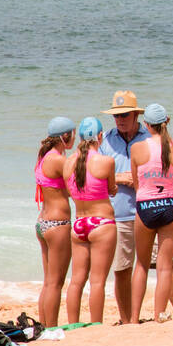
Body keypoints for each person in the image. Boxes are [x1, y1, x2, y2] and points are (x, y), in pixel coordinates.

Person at [100, 89, 173, 323]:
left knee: (165, 265)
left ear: (138, 116)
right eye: (116, 115)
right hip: (120, 213)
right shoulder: (106, 140)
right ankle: (128, 320)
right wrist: (118, 178)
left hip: (143, 209)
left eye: (125, 114)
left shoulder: (145, 140)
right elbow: (95, 175)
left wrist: (136, 180)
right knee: (122, 269)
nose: (120, 119)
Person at [129, 104, 173, 323]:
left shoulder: (136, 148)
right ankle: (158, 316)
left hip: (145, 207)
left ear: (146, 124)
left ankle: (134, 318)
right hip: (170, 207)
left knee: (142, 264)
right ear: (167, 121)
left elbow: (137, 185)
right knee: (164, 267)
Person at [64, 117, 118, 324]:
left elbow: (72, 192)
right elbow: (111, 188)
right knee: (97, 282)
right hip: (102, 223)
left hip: (79, 224)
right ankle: (95, 324)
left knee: (76, 280)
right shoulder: (106, 161)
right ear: (101, 137)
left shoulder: (68, 162)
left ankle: (72, 324)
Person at [34, 116, 75, 326]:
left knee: (48, 282)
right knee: (55, 283)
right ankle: (51, 328)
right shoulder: (59, 160)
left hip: (42, 223)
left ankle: (43, 326)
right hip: (58, 224)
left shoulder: (44, 158)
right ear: (66, 136)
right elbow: (76, 187)